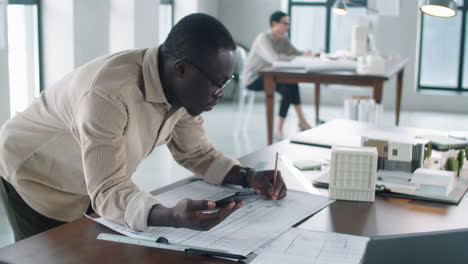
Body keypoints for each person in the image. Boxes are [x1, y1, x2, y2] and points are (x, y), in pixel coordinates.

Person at [0, 13, 287, 242]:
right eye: (216, 82)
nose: (220, 93)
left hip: (88, 179)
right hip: (34, 172)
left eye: (226, 81)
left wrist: (248, 177)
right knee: (46, 254)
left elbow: (197, 152)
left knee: (92, 245)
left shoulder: (181, 91)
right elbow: (109, 187)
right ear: (182, 69)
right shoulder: (108, 94)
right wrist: (171, 216)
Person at [243, 11, 313, 139]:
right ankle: (286, 126)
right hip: (254, 78)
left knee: (292, 83)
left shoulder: (283, 38)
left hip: (271, 76)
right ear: (274, 23)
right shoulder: (263, 38)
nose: (288, 26)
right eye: (285, 23)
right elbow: (274, 59)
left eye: (289, 24)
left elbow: (295, 52)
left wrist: (305, 54)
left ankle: (299, 121)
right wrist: (295, 57)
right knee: (288, 89)